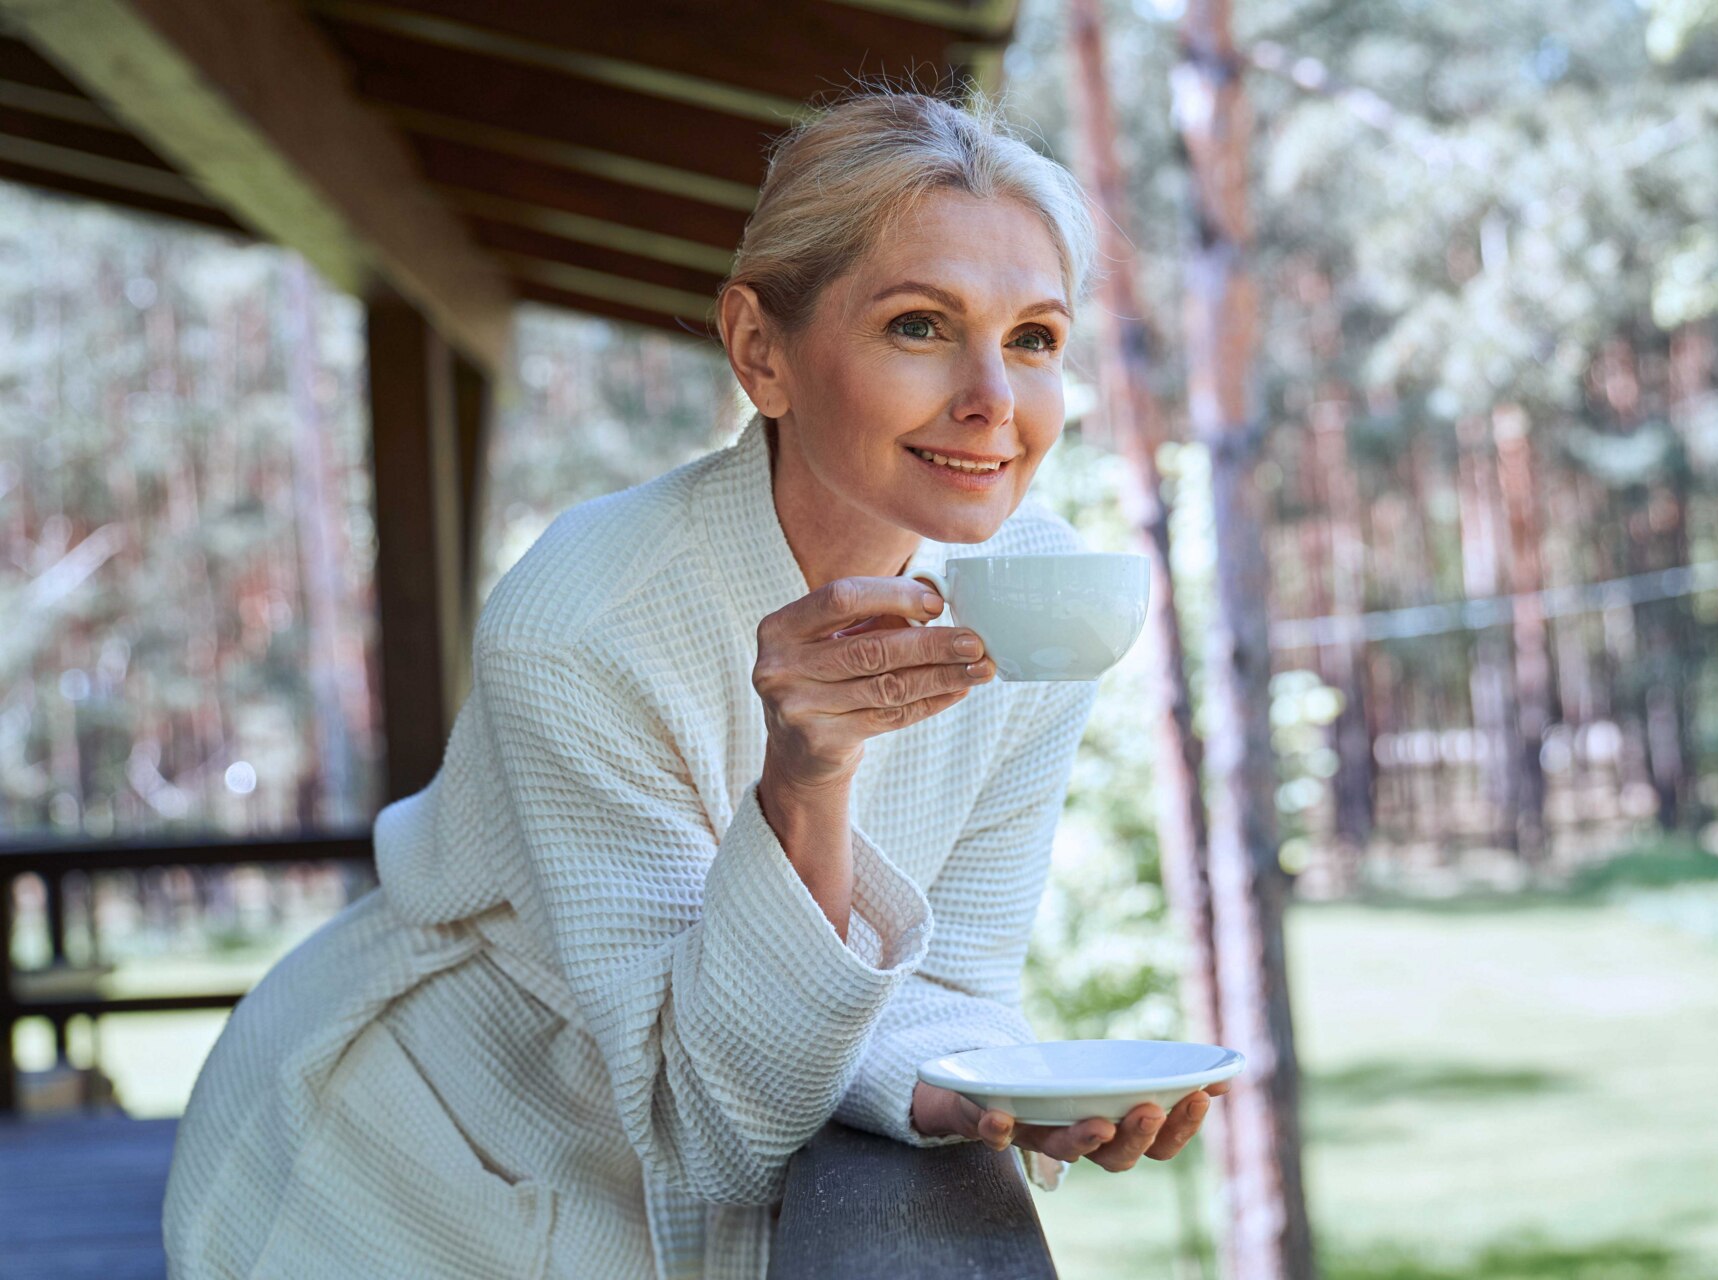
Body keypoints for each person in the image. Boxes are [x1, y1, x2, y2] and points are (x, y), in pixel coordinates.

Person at [162, 84, 1226, 1279]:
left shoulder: (1037, 599)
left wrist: (985, 1096)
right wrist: (806, 781)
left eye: (1034, 337)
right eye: (921, 325)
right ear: (760, 351)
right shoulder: (582, 617)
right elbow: (706, 1117)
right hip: (400, 1169)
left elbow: (947, 982)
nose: (994, 398)